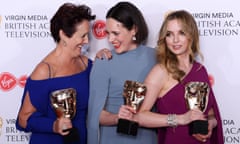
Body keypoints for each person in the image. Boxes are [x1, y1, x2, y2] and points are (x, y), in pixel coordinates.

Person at [118, 10, 224, 144]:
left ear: (191, 35)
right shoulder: (161, 71)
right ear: (164, 38)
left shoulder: (200, 70)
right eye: (169, 34)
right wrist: (180, 119)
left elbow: (211, 115)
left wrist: (210, 124)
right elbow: (139, 116)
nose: (175, 40)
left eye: (181, 33)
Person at [15, 3, 95, 144]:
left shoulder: (86, 64)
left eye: (87, 35)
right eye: (82, 36)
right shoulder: (45, 71)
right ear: (63, 34)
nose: (87, 41)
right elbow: (23, 119)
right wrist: (54, 126)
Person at [87, 2, 158, 144]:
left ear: (134, 30)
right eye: (108, 33)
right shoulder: (104, 60)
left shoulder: (156, 57)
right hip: (112, 139)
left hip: (147, 138)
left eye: (116, 33)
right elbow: (95, 116)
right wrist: (117, 118)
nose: (110, 39)